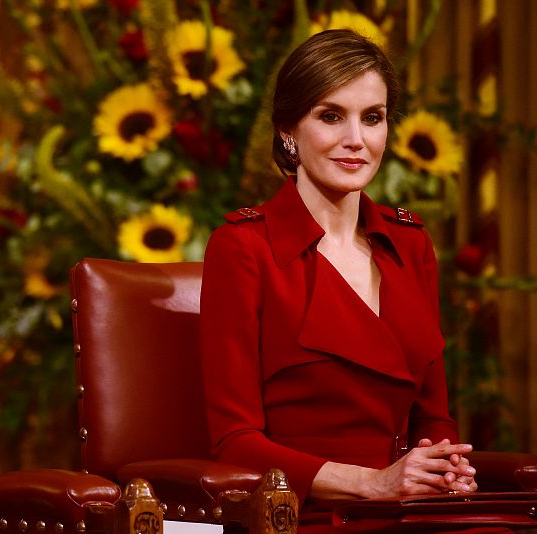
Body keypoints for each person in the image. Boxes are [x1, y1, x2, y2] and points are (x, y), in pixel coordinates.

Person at [199, 29, 480, 527]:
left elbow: (433, 416)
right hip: (305, 514)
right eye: (331, 116)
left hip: (412, 509)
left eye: (372, 118)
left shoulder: (410, 243)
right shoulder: (242, 247)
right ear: (288, 130)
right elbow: (234, 442)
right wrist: (373, 483)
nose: (357, 139)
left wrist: (445, 468)